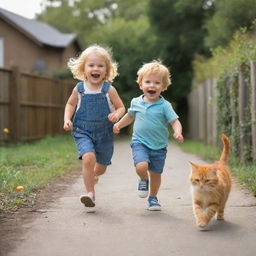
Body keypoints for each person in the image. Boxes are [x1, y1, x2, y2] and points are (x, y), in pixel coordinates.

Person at [113, 60, 184, 211]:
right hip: (140, 142)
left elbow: (175, 122)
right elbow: (130, 116)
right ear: (141, 85)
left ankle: (153, 198)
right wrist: (119, 124)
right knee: (142, 165)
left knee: (156, 174)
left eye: (157, 83)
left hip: (159, 146)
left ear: (163, 87)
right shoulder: (136, 102)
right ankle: (143, 179)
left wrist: (177, 132)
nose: (152, 85)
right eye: (148, 82)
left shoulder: (165, 106)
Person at [63, 44, 125, 211]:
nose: (95, 69)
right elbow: (70, 104)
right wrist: (67, 119)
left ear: (106, 70)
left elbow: (121, 107)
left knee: (102, 166)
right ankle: (90, 193)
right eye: (91, 65)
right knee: (88, 158)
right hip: (82, 131)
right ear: (84, 68)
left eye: (100, 65)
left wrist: (117, 115)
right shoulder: (79, 89)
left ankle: (94, 175)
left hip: (104, 133)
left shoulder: (108, 90)